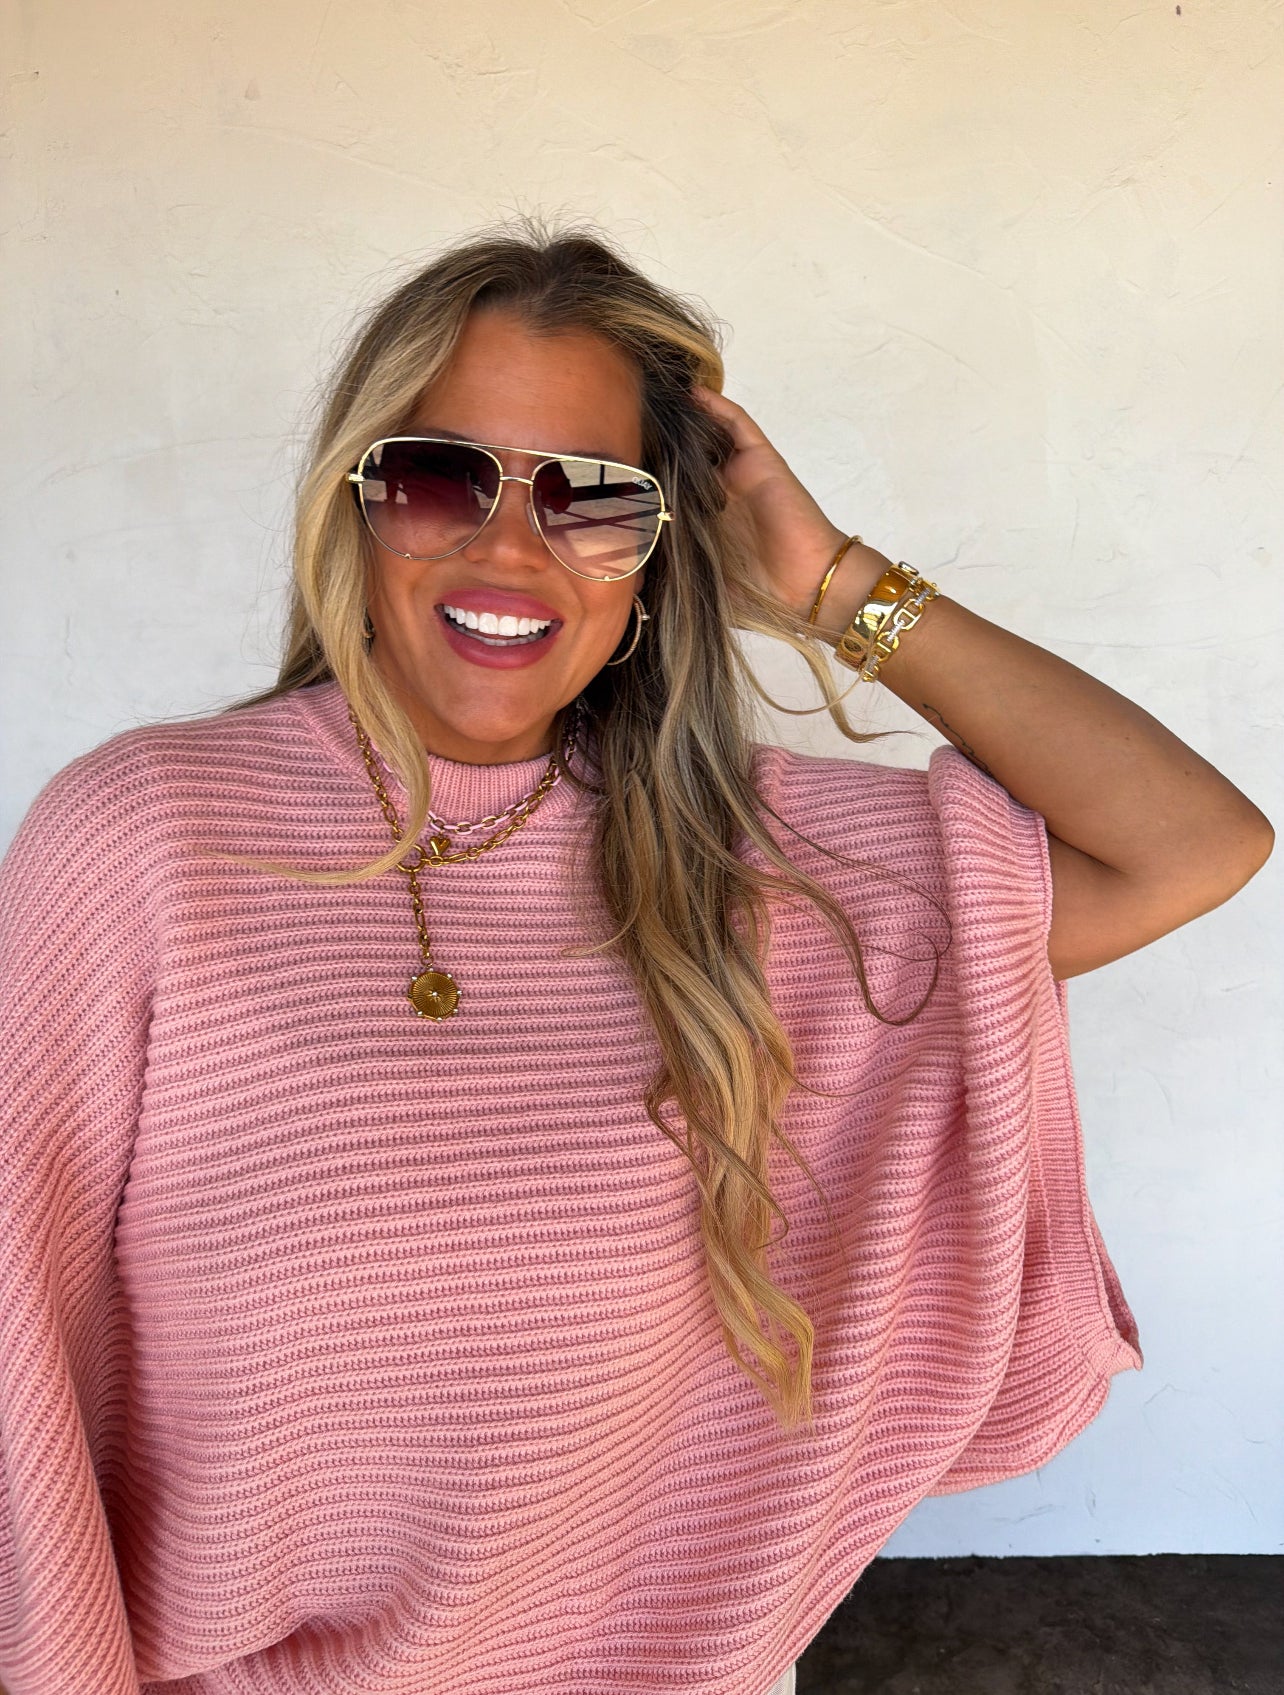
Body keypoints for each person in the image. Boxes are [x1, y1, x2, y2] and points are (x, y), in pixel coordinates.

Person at [0, 223, 1271, 1695]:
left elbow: (1190, 845)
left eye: (592, 500)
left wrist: (830, 581)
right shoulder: (147, 835)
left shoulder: (749, 867)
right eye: (438, 478)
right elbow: (20, 1354)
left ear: (658, 557)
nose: (508, 549)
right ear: (358, 507)